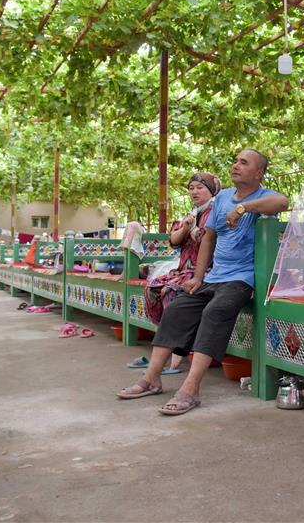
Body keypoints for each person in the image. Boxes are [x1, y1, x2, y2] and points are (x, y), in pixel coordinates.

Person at [117, 149, 289, 415]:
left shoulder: (263, 195)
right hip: (214, 277)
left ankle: (190, 388)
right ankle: (151, 378)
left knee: (215, 311)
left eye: (244, 163)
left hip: (241, 279)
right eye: (235, 161)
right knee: (176, 308)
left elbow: (282, 202)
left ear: (258, 173)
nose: (236, 166)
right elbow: (208, 239)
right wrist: (198, 277)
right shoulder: (220, 199)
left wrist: (244, 208)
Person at [141, 172, 221, 374]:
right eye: (191, 188)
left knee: (171, 292)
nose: (194, 191)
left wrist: (192, 229)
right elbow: (174, 240)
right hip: (183, 269)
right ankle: (164, 345)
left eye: (200, 187)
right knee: (152, 287)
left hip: (205, 270)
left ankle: (176, 357)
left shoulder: (215, 211)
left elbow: (206, 239)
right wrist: (187, 227)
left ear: (211, 190)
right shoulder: (192, 213)